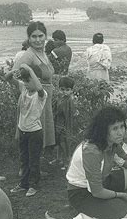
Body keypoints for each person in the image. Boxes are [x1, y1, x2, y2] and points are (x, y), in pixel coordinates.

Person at [65, 106, 127, 219]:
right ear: (104, 130)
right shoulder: (91, 151)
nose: (120, 133)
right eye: (115, 129)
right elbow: (97, 191)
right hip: (82, 193)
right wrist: (119, 195)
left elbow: (124, 157)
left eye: (122, 127)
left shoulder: (112, 141)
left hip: (102, 181)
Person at [6, 64, 47, 197]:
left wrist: (29, 70)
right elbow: (7, 78)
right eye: (25, 81)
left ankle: (33, 185)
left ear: (35, 80)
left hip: (35, 132)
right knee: (24, 159)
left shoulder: (41, 94)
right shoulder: (23, 88)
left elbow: (39, 87)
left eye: (29, 81)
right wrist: (16, 69)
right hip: (23, 130)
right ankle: (23, 184)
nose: (26, 84)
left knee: (33, 160)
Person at [14, 21, 56, 148]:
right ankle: (28, 166)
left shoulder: (42, 53)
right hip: (35, 101)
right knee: (33, 138)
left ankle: (38, 163)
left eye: (40, 36)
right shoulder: (29, 54)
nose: (38, 40)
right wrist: (28, 88)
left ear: (45, 36)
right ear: (29, 38)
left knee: (40, 137)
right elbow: (14, 74)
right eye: (34, 36)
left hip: (44, 100)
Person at [51, 76, 76, 170]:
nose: (64, 92)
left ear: (71, 91)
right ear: (59, 89)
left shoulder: (69, 100)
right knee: (58, 143)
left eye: (67, 90)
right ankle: (58, 159)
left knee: (64, 143)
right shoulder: (59, 98)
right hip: (57, 124)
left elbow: (68, 113)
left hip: (65, 126)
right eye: (62, 89)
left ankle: (67, 161)